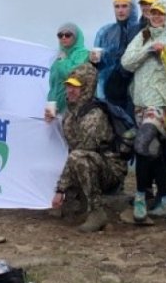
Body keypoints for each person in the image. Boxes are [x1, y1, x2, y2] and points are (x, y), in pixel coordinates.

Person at [121, 0, 166, 221]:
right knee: (154, 151)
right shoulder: (143, 37)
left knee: (141, 144)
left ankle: (140, 198)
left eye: (161, 14)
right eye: (153, 13)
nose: (156, 17)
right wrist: (148, 50)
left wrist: (165, 56)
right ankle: (165, 200)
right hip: (140, 103)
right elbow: (126, 63)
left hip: (161, 104)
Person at [49, 64, 127, 233]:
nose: (70, 90)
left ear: (86, 88)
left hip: (110, 171)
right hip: (90, 163)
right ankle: (74, 203)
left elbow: (80, 153)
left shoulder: (94, 116)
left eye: (76, 87)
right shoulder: (70, 115)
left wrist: (60, 189)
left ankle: (97, 212)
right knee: (74, 157)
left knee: (78, 157)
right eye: (68, 86)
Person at [92, 0, 139, 113]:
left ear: (132, 8)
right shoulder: (105, 31)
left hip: (132, 90)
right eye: (117, 6)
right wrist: (94, 60)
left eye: (124, 6)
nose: (120, 10)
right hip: (108, 90)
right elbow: (97, 65)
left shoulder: (140, 31)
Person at [46, 23, 90, 115]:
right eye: (60, 35)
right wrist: (51, 102)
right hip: (57, 110)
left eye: (68, 35)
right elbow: (53, 85)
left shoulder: (83, 54)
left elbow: (72, 75)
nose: (63, 38)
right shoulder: (58, 58)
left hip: (75, 110)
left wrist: (62, 61)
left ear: (76, 37)